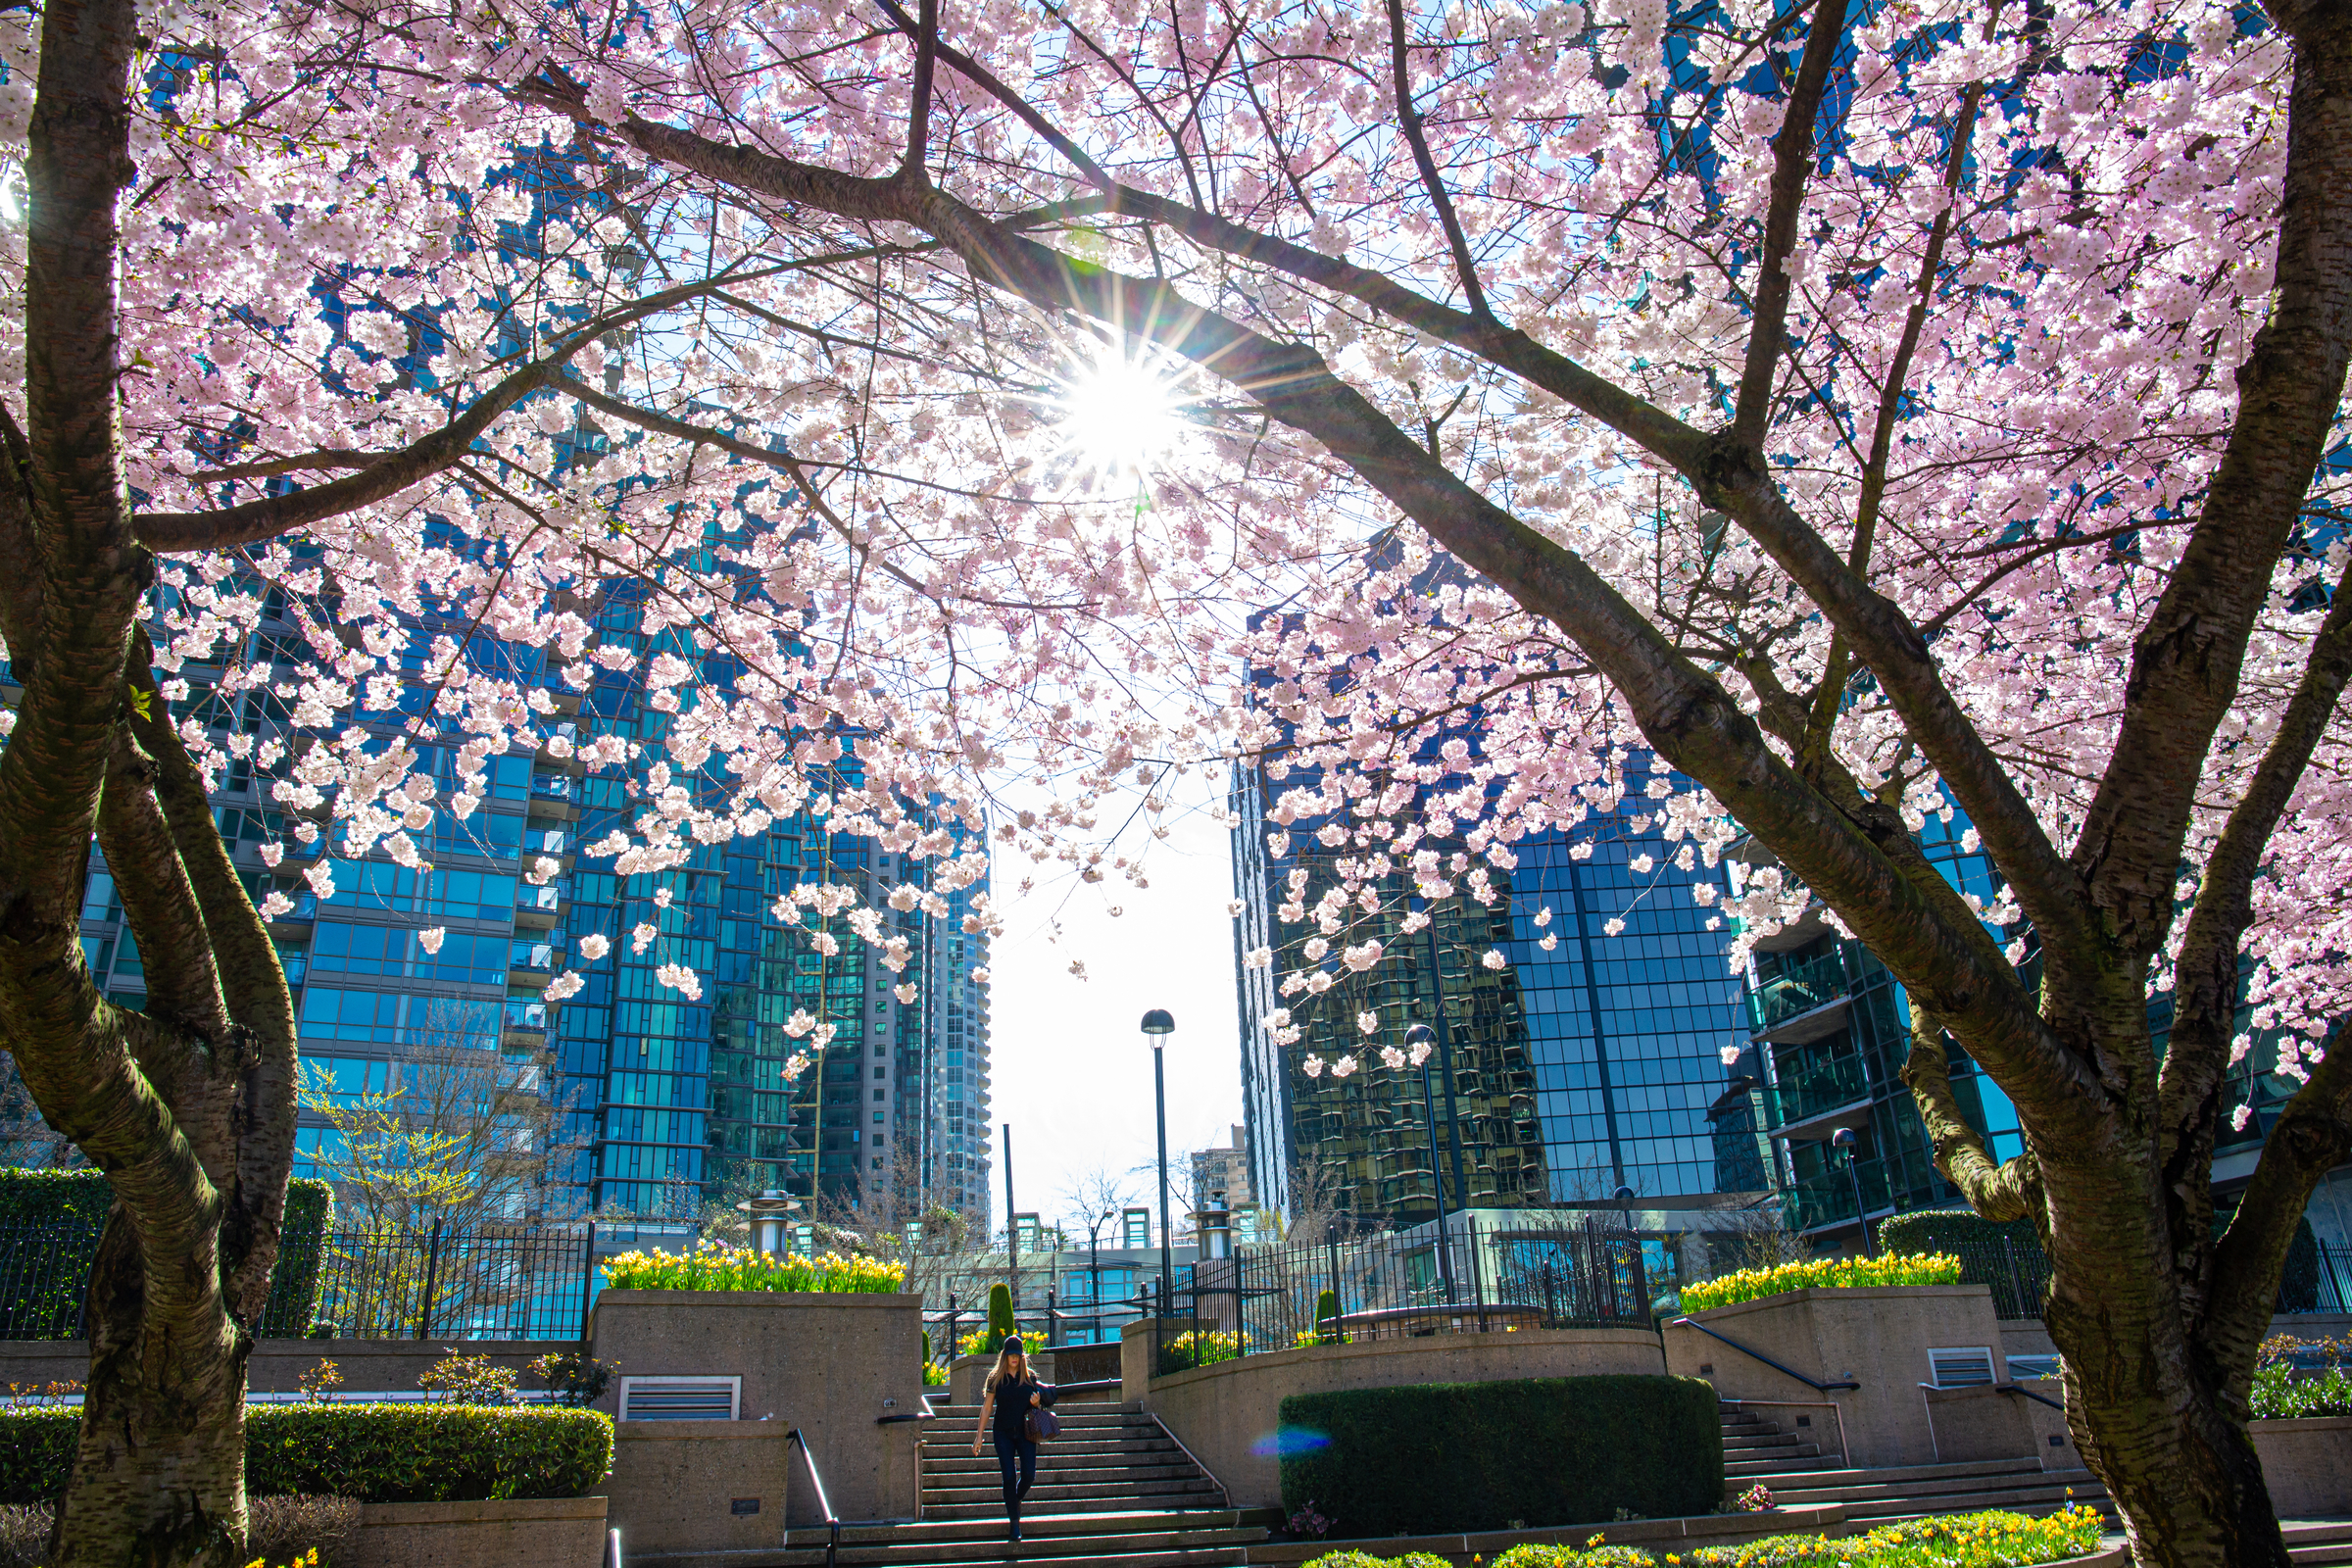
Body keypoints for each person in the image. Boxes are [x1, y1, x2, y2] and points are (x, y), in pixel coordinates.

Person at [969, 1336, 1054, 1544]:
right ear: (1005, 1356)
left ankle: (1014, 1500)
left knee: (1029, 1475)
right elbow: (987, 1408)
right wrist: (979, 1436)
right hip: (1003, 1433)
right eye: (1011, 1355)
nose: (1014, 1359)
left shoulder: (1030, 1377)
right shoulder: (995, 1378)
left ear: (1021, 1356)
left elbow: (1039, 1403)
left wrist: (1036, 1403)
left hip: (1026, 1432)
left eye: (1017, 1355)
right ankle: (1014, 1523)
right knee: (1008, 1476)